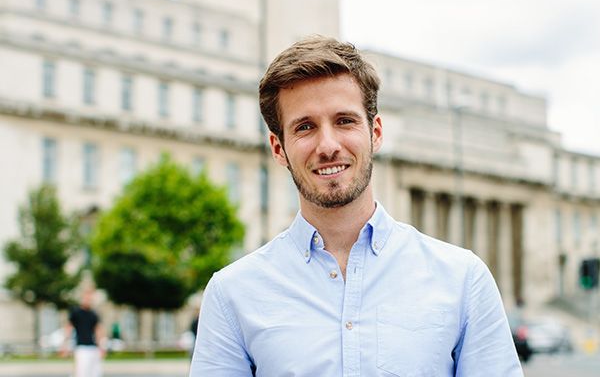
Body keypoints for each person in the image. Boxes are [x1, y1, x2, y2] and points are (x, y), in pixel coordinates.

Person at [189, 36, 523, 376]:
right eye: (305, 127)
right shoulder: (232, 294)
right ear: (278, 148)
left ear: (375, 132)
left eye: (345, 121)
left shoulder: (463, 279)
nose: (328, 145)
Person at [61, 288, 105, 377]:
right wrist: (65, 345)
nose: (88, 300)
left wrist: (101, 347)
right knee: (81, 373)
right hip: (81, 348)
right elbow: (69, 328)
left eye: (90, 298)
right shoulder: (76, 313)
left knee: (95, 373)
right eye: (86, 297)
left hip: (93, 348)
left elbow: (98, 330)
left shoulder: (94, 314)